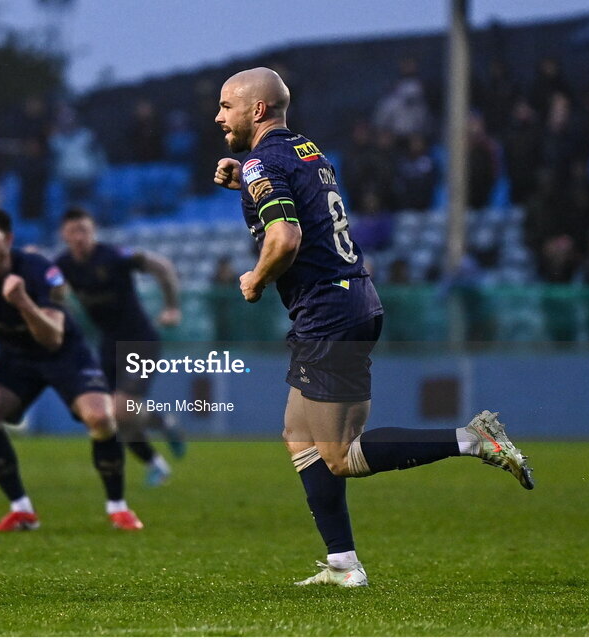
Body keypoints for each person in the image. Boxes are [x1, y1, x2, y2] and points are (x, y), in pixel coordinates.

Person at [212, 67, 534, 588]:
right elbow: (301, 211)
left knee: (341, 455)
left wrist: (255, 279)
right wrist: (243, 182)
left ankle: (474, 441)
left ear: (257, 110)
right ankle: (343, 564)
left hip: (327, 311)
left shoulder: (261, 162)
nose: (218, 115)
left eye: (227, 105)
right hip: (350, 297)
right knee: (300, 436)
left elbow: (286, 239)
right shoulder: (305, 150)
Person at [0, 206, 144, 532]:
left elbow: (52, 339)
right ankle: (21, 510)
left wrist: (23, 301)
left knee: (101, 417)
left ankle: (118, 507)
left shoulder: (39, 269)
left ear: (7, 239)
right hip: (15, 357)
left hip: (66, 354)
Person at [55, 208, 186, 487]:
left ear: (93, 232)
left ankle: (161, 426)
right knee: (108, 416)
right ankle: (158, 456)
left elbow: (160, 265)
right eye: (73, 231)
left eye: (84, 230)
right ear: (63, 235)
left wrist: (172, 307)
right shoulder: (63, 265)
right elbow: (48, 288)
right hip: (108, 345)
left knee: (121, 410)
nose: (79, 237)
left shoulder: (113, 256)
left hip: (140, 340)